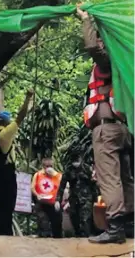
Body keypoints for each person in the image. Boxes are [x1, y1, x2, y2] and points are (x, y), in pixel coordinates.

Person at [77, 4, 134, 244]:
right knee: (125, 176)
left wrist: (86, 20)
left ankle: (115, 228)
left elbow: (91, 46)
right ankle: (129, 224)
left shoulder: (108, 60)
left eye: (103, 39)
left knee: (109, 177)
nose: (99, 43)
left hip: (107, 129)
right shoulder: (125, 62)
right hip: (123, 128)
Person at [0, 89, 33, 235]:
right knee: (6, 212)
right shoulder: (5, 135)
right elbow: (21, 117)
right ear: (6, 123)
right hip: (6, 178)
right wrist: (28, 98)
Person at [55, 159, 96, 237]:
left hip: (86, 199)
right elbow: (62, 186)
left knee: (85, 220)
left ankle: (86, 238)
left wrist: (95, 199)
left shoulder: (86, 168)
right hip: (74, 199)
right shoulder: (68, 170)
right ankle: (78, 238)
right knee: (75, 220)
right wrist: (57, 200)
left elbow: (93, 185)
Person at [32, 158, 63, 238]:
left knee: (57, 223)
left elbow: (63, 187)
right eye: (47, 166)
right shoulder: (38, 175)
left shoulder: (58, 175)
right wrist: (37, 195)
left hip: (54, 203)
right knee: (43, 223)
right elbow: (32, 188)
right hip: (42, 203)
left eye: (51, 166)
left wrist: (55, 175)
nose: (49, 168)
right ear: (43, 166)